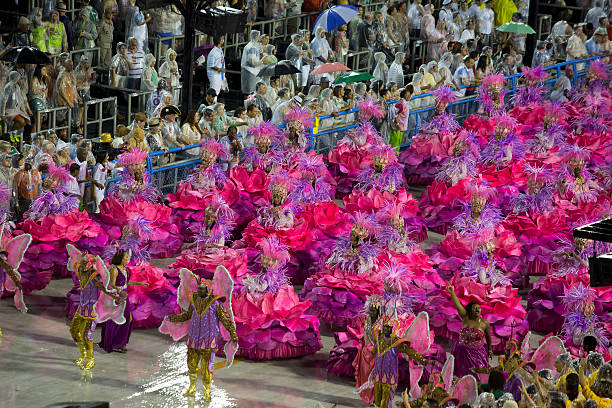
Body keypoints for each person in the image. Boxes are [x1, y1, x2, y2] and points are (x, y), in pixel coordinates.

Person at [162, 270, 238, 399]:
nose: (199, 291)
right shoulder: (194, 301)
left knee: (207, 367)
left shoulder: (216, 304)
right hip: (193, 340)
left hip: (208, 341)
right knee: (191, 364)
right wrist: (173, 318)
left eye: (202, 289)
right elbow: (187, 315)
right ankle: (192, 387)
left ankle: (206, 390)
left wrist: (233, 333)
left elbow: (226, 320)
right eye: (199, 289)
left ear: (208, 290)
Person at [68, 248, 124, 370]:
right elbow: (76, 264)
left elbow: (104, 288)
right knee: (73, 331)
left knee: (86, 335)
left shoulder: (95, 276)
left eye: (86, 264)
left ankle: (91, 359)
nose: (83, 266)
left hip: (91, 312)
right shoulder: (80, 271)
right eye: (83, 263)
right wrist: (85, 255)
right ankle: (83, 354)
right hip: (80, 310)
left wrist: (115, 296)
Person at [446, 285, 492, 377]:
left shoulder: (485, 323)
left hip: (477, 353)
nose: (477, 309)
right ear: (469, 310)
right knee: (461, 373)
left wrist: (490, 349)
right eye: (475, 308)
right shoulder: (465, 317)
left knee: (478, 373)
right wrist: (452, 292)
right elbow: (458, 305)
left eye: (478, 308)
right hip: (461, 352)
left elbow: (488, 336)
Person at [99, 249, 133, 353]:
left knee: (128, 319)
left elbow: (126, 282)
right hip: (117, 296)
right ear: (120, 258)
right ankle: (113, 343)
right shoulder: (114, 269)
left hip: (125, 296)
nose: (128, 259)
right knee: (116, 320)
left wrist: (140, 284)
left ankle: (121, 342)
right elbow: (111, 284)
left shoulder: (125, 269)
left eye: (128, 257)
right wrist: (119, 291)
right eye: (125, 257)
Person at [75, 55, 94, 133]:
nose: (86, 64)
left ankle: (83, 125)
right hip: (79, 91)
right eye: (84, 63)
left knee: (85, 109)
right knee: (81, 109)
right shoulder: (77, 70)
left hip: (87, 91)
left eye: (87, 62)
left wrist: (89, 75)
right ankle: (78, 126)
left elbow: (92, 80)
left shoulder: (90, 70)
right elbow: (75, 82)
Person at [241, 30, 263, 95]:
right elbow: (252, 62)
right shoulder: (251, 47)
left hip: (252, 72)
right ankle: (247, 104)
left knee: (252, 92)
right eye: (259, 36)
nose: (260, 37)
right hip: (249, 72)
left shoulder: (254, 46)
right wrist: (262, 62)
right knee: (249, 92)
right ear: (256, 36)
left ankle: (250, 103)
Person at [390, 86, 411, 150]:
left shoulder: (404, 102)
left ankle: (396, 156)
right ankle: (392, 156)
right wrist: (398, 124)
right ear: (403, 95)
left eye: (409, 95)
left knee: (398, 142)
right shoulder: (401, 103)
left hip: (400, 126)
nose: (408, 96)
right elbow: (395, 114)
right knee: (394, 142)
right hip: (397, 127)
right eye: (406, 95)